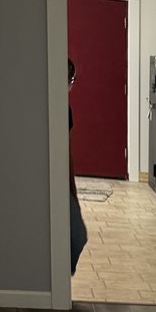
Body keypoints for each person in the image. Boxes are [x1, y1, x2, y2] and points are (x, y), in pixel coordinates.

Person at [68, 57, 87, 273]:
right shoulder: (61, 111)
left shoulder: (66, 111)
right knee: (78, 235)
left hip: (64, 182)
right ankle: (65, 275)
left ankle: (64, 276)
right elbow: (67, 154)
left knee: (77, 235)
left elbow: (68, 153)